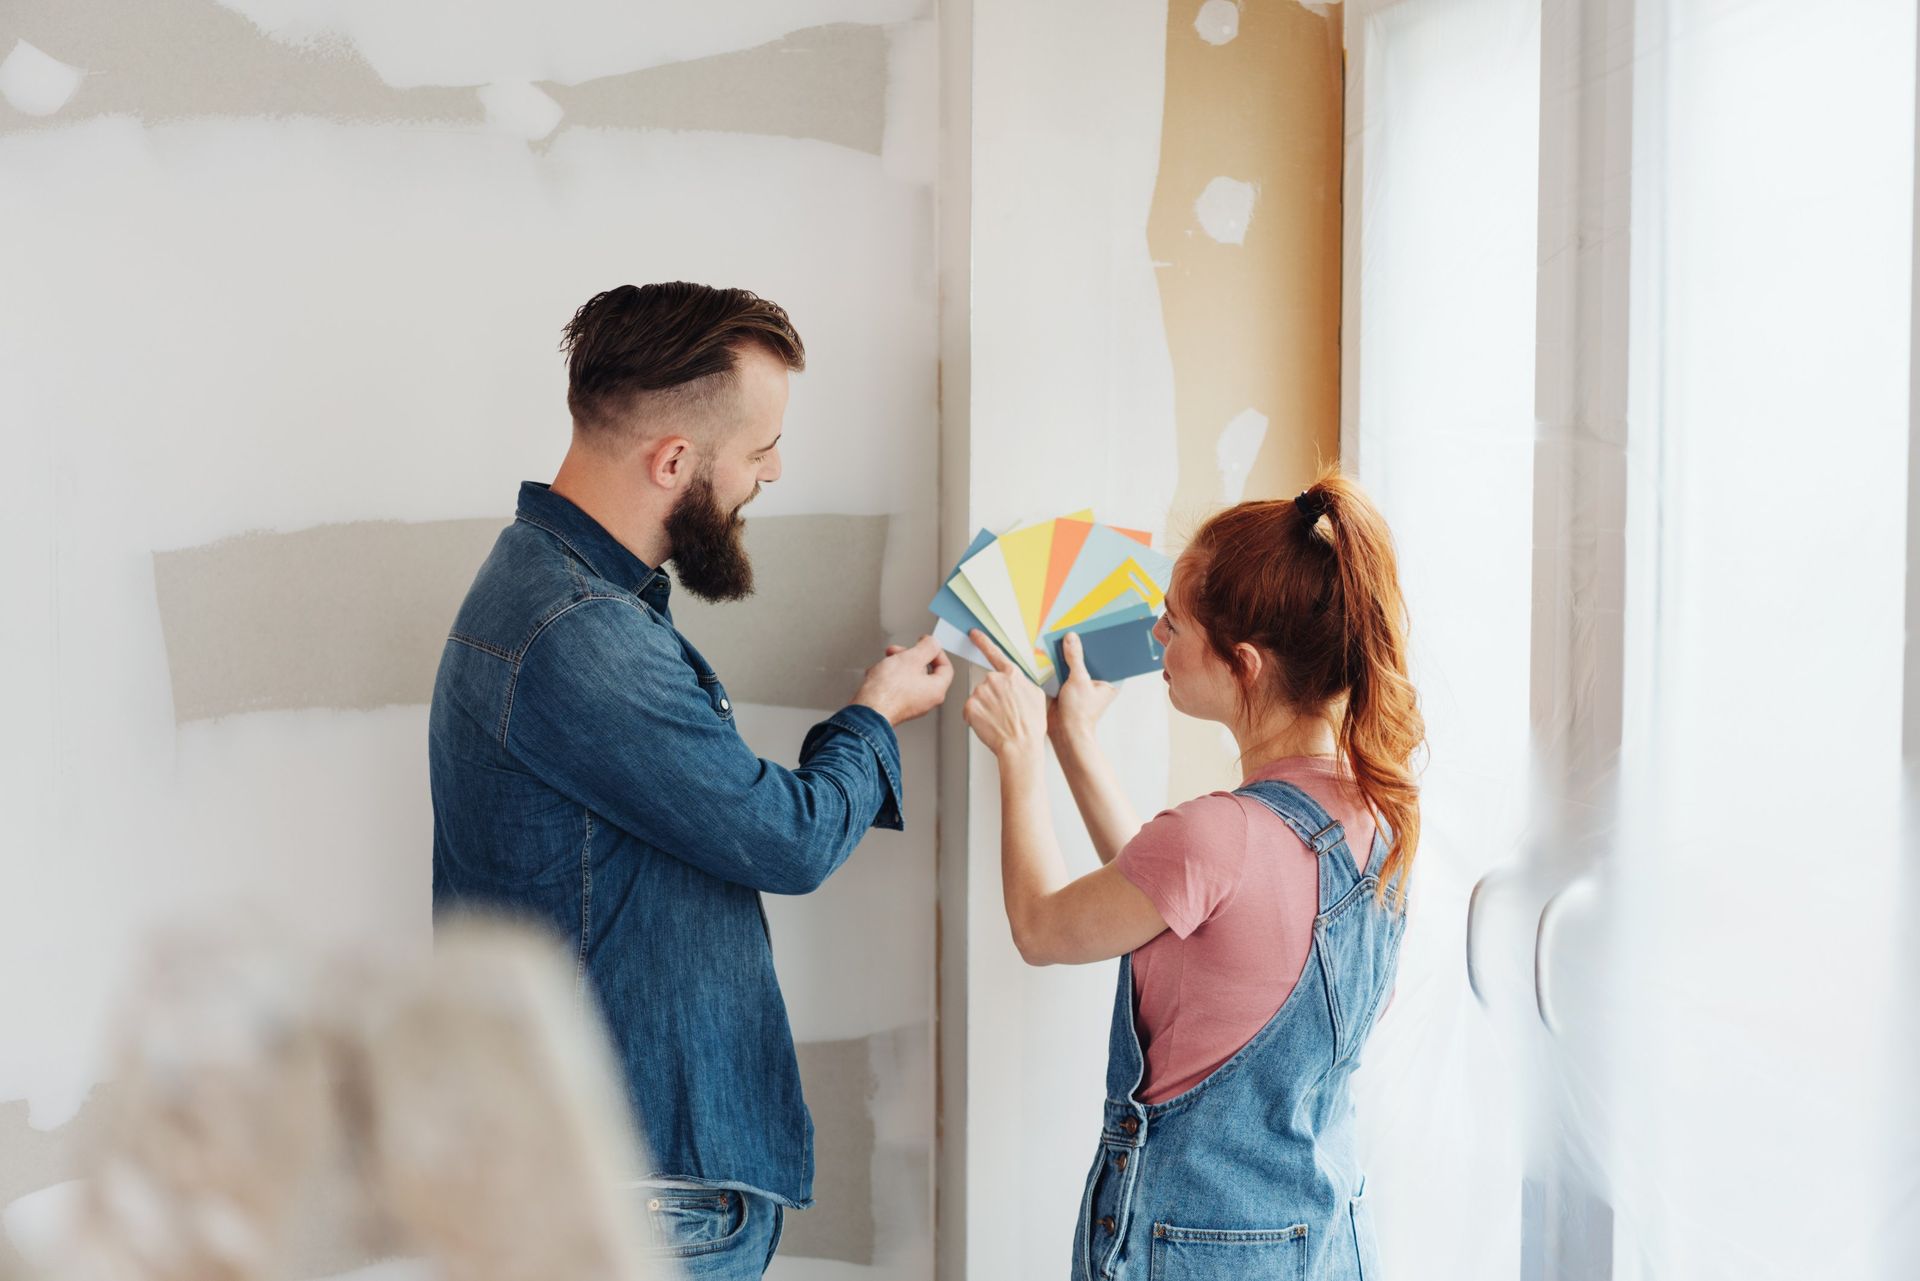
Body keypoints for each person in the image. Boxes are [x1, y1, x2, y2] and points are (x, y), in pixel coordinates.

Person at [429, 282, 952, 1279]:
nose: (773, 472)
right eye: (760, 450)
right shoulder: (582, 633)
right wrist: (876, 715)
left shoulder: (539, 584)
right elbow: (786, 838)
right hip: (635, 1193)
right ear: (672, 461)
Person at [962, 473, 1423, 1280]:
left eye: (1173, 624)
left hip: (1195, 1253)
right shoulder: (1381, 817)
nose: (1154, 637)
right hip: (1330, 1247)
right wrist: (1073, 739)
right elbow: (1169, 902)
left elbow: (1040, 925)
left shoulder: (1218, 836)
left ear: (1243, 664)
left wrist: (1019, 754)